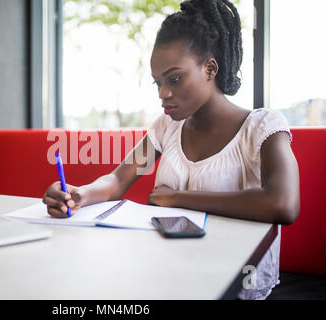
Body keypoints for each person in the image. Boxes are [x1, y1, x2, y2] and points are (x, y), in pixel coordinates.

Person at [42, 0, 300, 300]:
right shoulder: (166, 127)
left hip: (235, 285)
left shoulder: (262, 127)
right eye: (158, 82)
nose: (164, 93)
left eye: (175, 79)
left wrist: (178, 199)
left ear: (210, 68)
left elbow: (282, 204)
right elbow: (117, 180)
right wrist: (80, 195)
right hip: (173, 275)